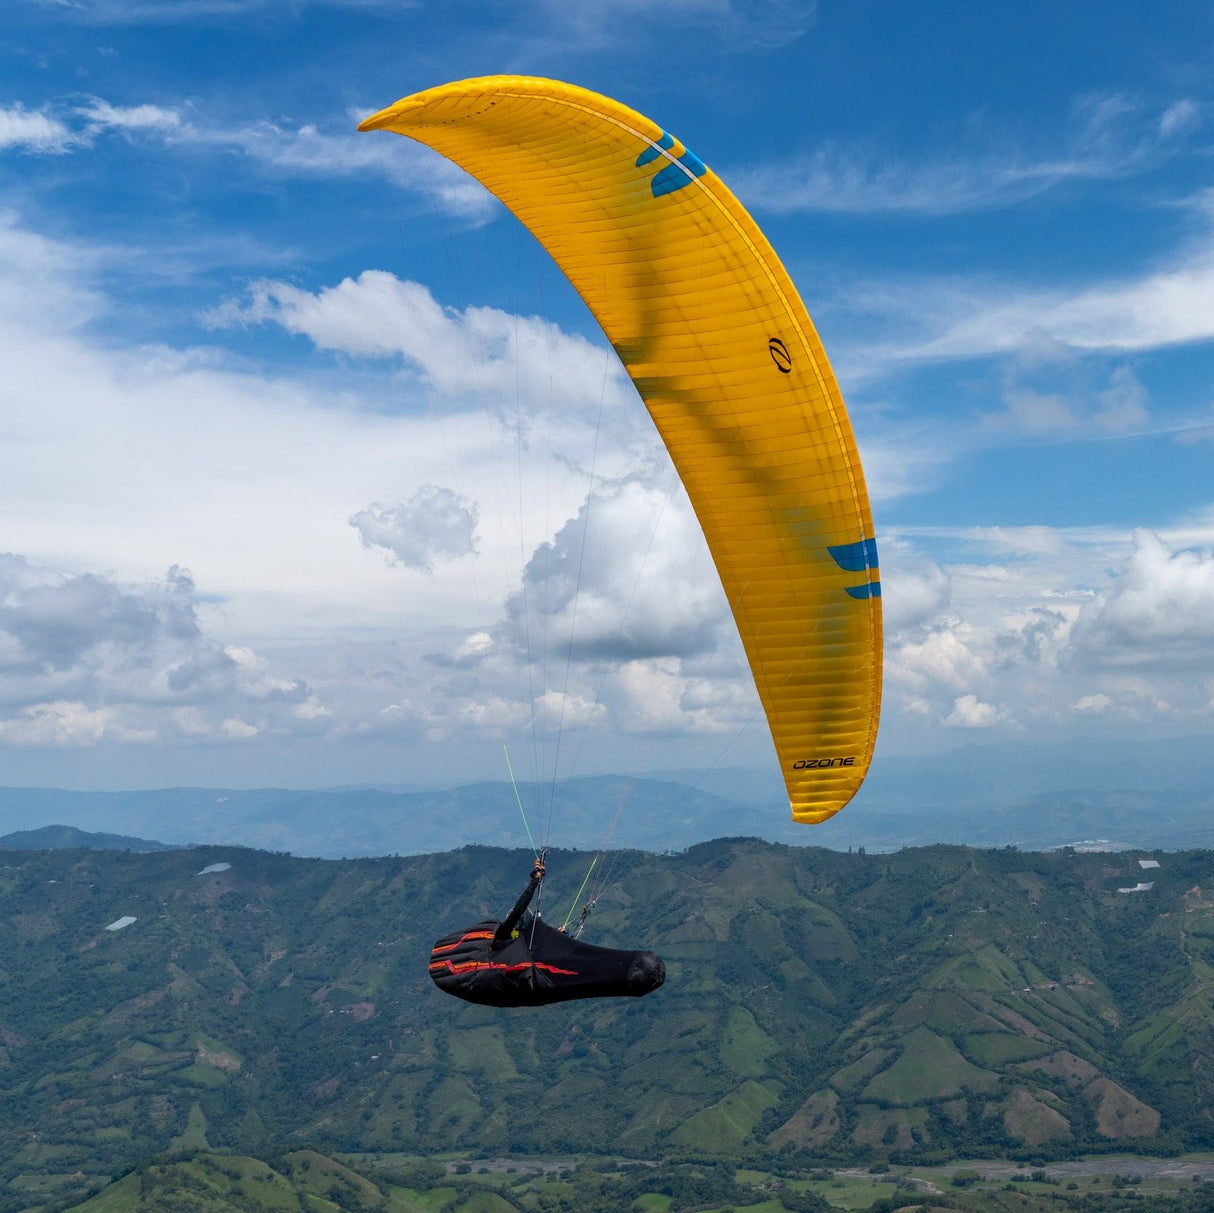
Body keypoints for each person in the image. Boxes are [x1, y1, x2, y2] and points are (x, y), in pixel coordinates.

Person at [428, 854, 665, 1008]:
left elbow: (518, 912)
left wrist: (535, 881)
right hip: (527, 976)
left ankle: (635, 972)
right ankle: (635, 972)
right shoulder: (501, 944)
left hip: (532, 978)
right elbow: (517, 916)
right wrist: (535, 882)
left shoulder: (504, 940)